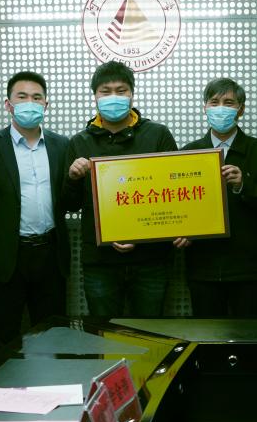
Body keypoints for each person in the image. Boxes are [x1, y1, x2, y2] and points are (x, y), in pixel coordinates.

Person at [64, 61, 179, 318]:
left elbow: (173, 194)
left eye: (121, 90)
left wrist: (141, 234)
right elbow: (70, 204)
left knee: (150, 333)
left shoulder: (157, 135)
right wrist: (72, 178)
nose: (113, 97)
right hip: (100, 263)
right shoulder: (79, 142)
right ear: (95, 96)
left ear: (132, 94)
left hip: (151, 260)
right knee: (103, 332)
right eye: (106, 91)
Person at [0, 72, 70, 353]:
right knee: (3, 339)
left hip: (50, 255)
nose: (30, 103)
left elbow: (67, 198)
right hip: (6, 258)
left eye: (36, 97)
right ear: (8, 104)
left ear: (46, 105)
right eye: (22, 96)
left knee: (53, 337)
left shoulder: (62, 146)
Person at [181, 78, 257, 316]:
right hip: (203, 267)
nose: (221, 108)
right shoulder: (188, 153)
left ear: (241, 109)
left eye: (228, 103)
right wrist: (179, 230)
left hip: (250, 269)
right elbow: (179, 205)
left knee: (250, 334)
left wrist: (244, 186)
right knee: (207, 334)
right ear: (205, 107)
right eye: (214, 102)